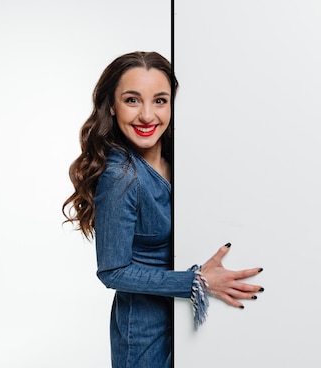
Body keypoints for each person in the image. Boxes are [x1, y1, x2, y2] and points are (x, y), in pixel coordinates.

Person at [62, 51, 264, 367]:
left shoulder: (176, 159)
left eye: (159, 100)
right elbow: (112, 270)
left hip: (183, 319)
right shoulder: (121, 176)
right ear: (112, 106)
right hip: (145, 328)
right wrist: (196, 281)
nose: (146, 115)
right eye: (132, 100)